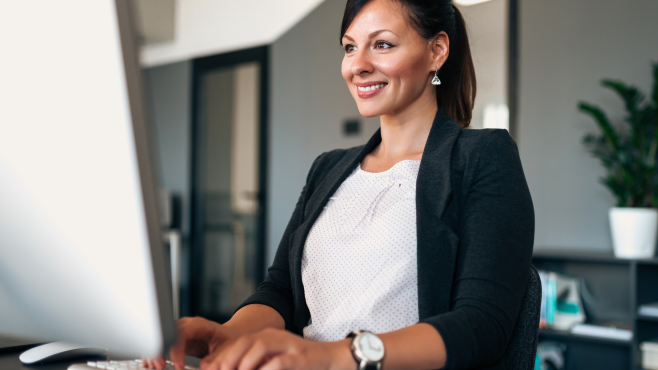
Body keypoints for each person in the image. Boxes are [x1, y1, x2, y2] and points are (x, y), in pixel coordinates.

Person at [145, 0, 534, 369]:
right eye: (350, 47)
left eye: (381, 44)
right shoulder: (328, 169)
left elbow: (481, 325)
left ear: (437, 51)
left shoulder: (482, 156)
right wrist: (226, 334)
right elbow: (280, 291)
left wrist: (334, 358)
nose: (357, 65)